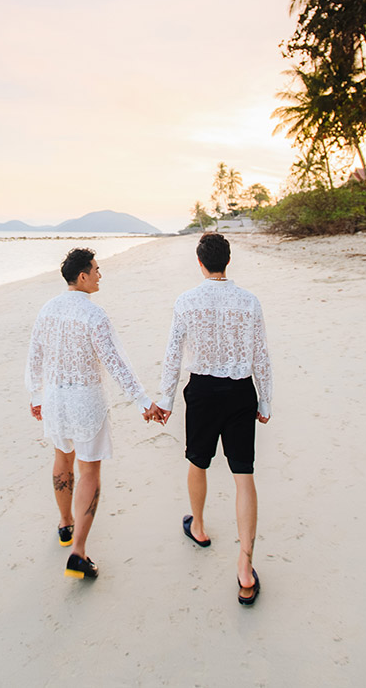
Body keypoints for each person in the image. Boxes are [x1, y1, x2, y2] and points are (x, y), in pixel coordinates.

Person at [26, 247, 163, 581]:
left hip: (56, 398)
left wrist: (35, 395)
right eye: (97, 270)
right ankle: (78, 552)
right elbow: (115, 362)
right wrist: (144, 401)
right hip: (85, 401)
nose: (101, 275)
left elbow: (35, 355)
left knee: (62, 460)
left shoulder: (48, 309)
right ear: (83, 276)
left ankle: (65, 525)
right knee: (89, 472)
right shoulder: (94, 315)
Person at [156, 232, 272, 607]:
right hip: (240, 392)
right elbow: (261, 356)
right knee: (243, 475)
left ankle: (200, 528)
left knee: (197, 461)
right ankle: (245, 566)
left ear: (201, 263)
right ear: (227, 260)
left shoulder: (187, 301)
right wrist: (265, 402)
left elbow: (173, 355)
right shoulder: (249, 301)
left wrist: (164, 400)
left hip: (203, 392)